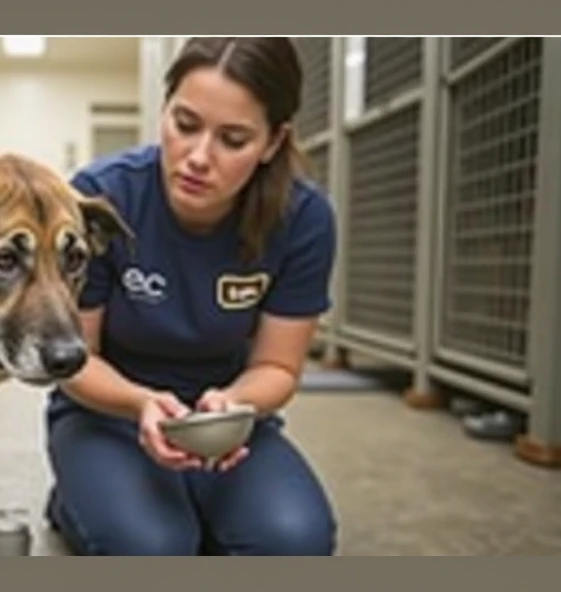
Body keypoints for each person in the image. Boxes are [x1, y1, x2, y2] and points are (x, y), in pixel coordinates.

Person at [43, 37, 339, 556]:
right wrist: (140, 404)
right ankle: (76, 497)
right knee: (152, 548)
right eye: (185, 125)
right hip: (106, 412)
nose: (199, 157)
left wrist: (233, 406)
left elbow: (278, 366)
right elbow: (76, 360)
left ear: (273, 142)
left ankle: (171, 499)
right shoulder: (100, 198)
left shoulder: (304, 220)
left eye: (234, 139)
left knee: (296, 541)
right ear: (164, 112)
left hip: (224, 423)